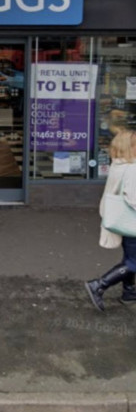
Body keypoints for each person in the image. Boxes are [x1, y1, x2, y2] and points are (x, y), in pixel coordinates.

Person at [85, 130, 136, 310]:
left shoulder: (118, 165)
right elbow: (133, 197)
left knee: (131, 258)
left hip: (123, 220)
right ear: (130, 147)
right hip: (132, 221)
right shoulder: (132, 168)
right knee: (132, 262)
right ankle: (99, 285)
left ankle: (129, 292)